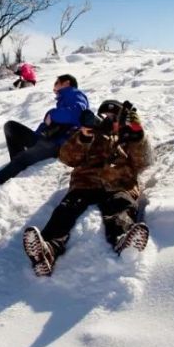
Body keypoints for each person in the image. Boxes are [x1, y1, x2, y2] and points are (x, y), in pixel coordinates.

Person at [22, 100, 151, 277]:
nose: (107, 120)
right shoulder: (89, 135)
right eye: (103, 116)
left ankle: (123, 240)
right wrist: (83, 137)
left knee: (121, 205)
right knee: (65, 210)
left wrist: (137, 134)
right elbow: (67, 158)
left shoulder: (128, 138)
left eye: (113, 117)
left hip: (118, 184)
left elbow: (144, 162)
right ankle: (47, 249)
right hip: (85, 183)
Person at [0, 74, 89, 190]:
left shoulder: (75, 94)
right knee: (11, 127)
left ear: (66, 83)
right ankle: (16, 164)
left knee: (23, 155)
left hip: (57, 144)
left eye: (56, 83)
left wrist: (52, 114)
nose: (54, 87)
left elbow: (76, 113)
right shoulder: (63, 100)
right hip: (45, 140)